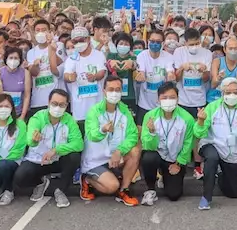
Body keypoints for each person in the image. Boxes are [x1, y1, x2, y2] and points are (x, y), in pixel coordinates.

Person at [194, 77, 237, 210]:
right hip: (211, 144)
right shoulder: (213, 107)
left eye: (235, 92)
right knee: (212, 158)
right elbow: (199, 134)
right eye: (228, 92)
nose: (232, 95)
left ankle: (221, 173)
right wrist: (200, 121)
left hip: (231, 152)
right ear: (222, 93)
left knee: (233, 193)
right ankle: (206, 197)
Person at [14, 88, 83, 207]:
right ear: (48, 102)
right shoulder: (37, 118)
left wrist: (56, 150)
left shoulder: (69, 120)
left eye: (61, 105)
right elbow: (29, 140)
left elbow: (79, 144)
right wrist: (34, 140)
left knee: (74, 157)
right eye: (54, 103)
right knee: (20, 178)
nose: (57, 108)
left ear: (66, 105)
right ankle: (41, 182)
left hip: (58, 160)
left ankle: (60, 190)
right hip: (39, 161)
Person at [80, 76, 141, 206]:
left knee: (136, 149)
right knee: (112, 186)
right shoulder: (94, 111)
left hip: (115, 157)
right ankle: (87, 179)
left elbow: (133, 135)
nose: (114, 93)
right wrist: (102, 130)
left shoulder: (124, 111)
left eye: (117, 90)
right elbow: (92, 135)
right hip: (96, 161)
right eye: (111, 89)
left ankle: (124, 190)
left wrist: (120, 151)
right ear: (104, 91)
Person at [139, 82, 196, 205]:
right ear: (158, 99)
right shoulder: (150, 116)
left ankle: (164, 177)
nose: (168, 100)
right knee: (148, 157)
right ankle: (150, 189)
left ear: (178, 99)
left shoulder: (187, 119)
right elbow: (147, 146)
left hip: (175, 159)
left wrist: (179, 163)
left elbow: (188, 143)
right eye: (164, 97)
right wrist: (152, 133)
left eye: (172, 97)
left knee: (174, 195)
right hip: (157, 155)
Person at [64, 26, 108, 137]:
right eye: (75, 41)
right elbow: (66, 75)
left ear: (88, 39)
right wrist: (70, 77)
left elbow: (102, 72)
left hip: (97, 105)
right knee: (82, 137)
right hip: (79, 109)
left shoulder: (98, 55)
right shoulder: (71, 59)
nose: (78, 43)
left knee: (98, 136)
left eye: (81, 40)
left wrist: (95, 76)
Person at [26, 18, 62, 120]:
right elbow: (33, 73)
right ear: (34, 33)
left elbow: (59, 64)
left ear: (49, 32)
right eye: (38, 30)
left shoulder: (58, 46)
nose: (40, 32)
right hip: (37, 101)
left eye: (44, 30)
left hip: (55, 100)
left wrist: (51, 47)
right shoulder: (31, 52)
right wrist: (35, 66)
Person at [0, 46, 31, 115]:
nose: (13, 60)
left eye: (16, 58)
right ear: (6, 59)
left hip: (19, 112)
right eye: (11, 58)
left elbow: (27, 96)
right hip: (3, 112)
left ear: (20, 60)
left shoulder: (25, 73)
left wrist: (22, 115)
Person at [106, 31, 137, 112]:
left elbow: (135, 66)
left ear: (130, 46)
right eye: (121, 43)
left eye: (126, 44)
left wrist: (132, 64)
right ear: (116, 45)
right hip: (113, 94)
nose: (123, 46)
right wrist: (110, 63)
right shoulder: (111, 56)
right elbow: (107, 64)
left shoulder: (133, 58)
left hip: (129, 95)